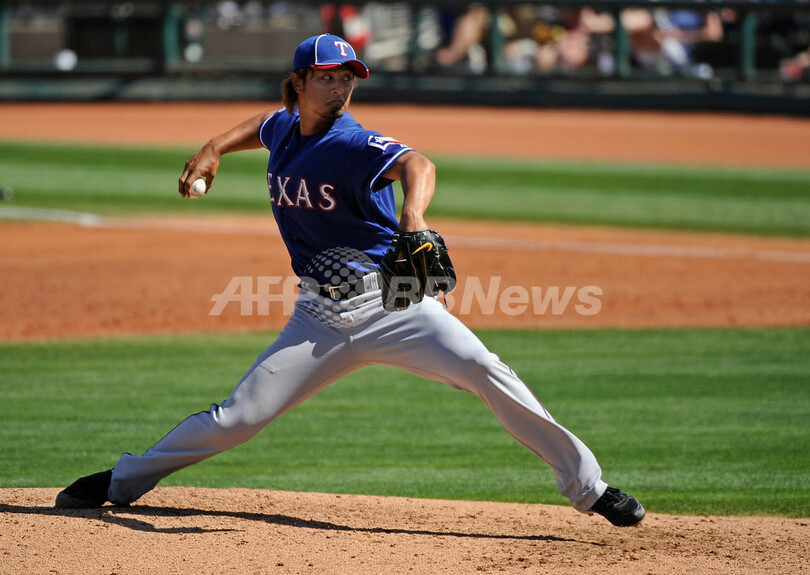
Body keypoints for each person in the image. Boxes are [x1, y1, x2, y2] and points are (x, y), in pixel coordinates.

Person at [54, 33, 645, 527]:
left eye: (348, 78)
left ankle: (589, 487)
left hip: (394, 303)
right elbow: (261, 125)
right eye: (329, 77)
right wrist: (212, 147)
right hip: (317, 319)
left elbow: (419, 163)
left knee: (486, 370)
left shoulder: (353, 141)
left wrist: (413, 216)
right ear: (300, 83)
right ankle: (123, 479)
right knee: (237, 419)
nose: (340, 88)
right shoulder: (286, 128)